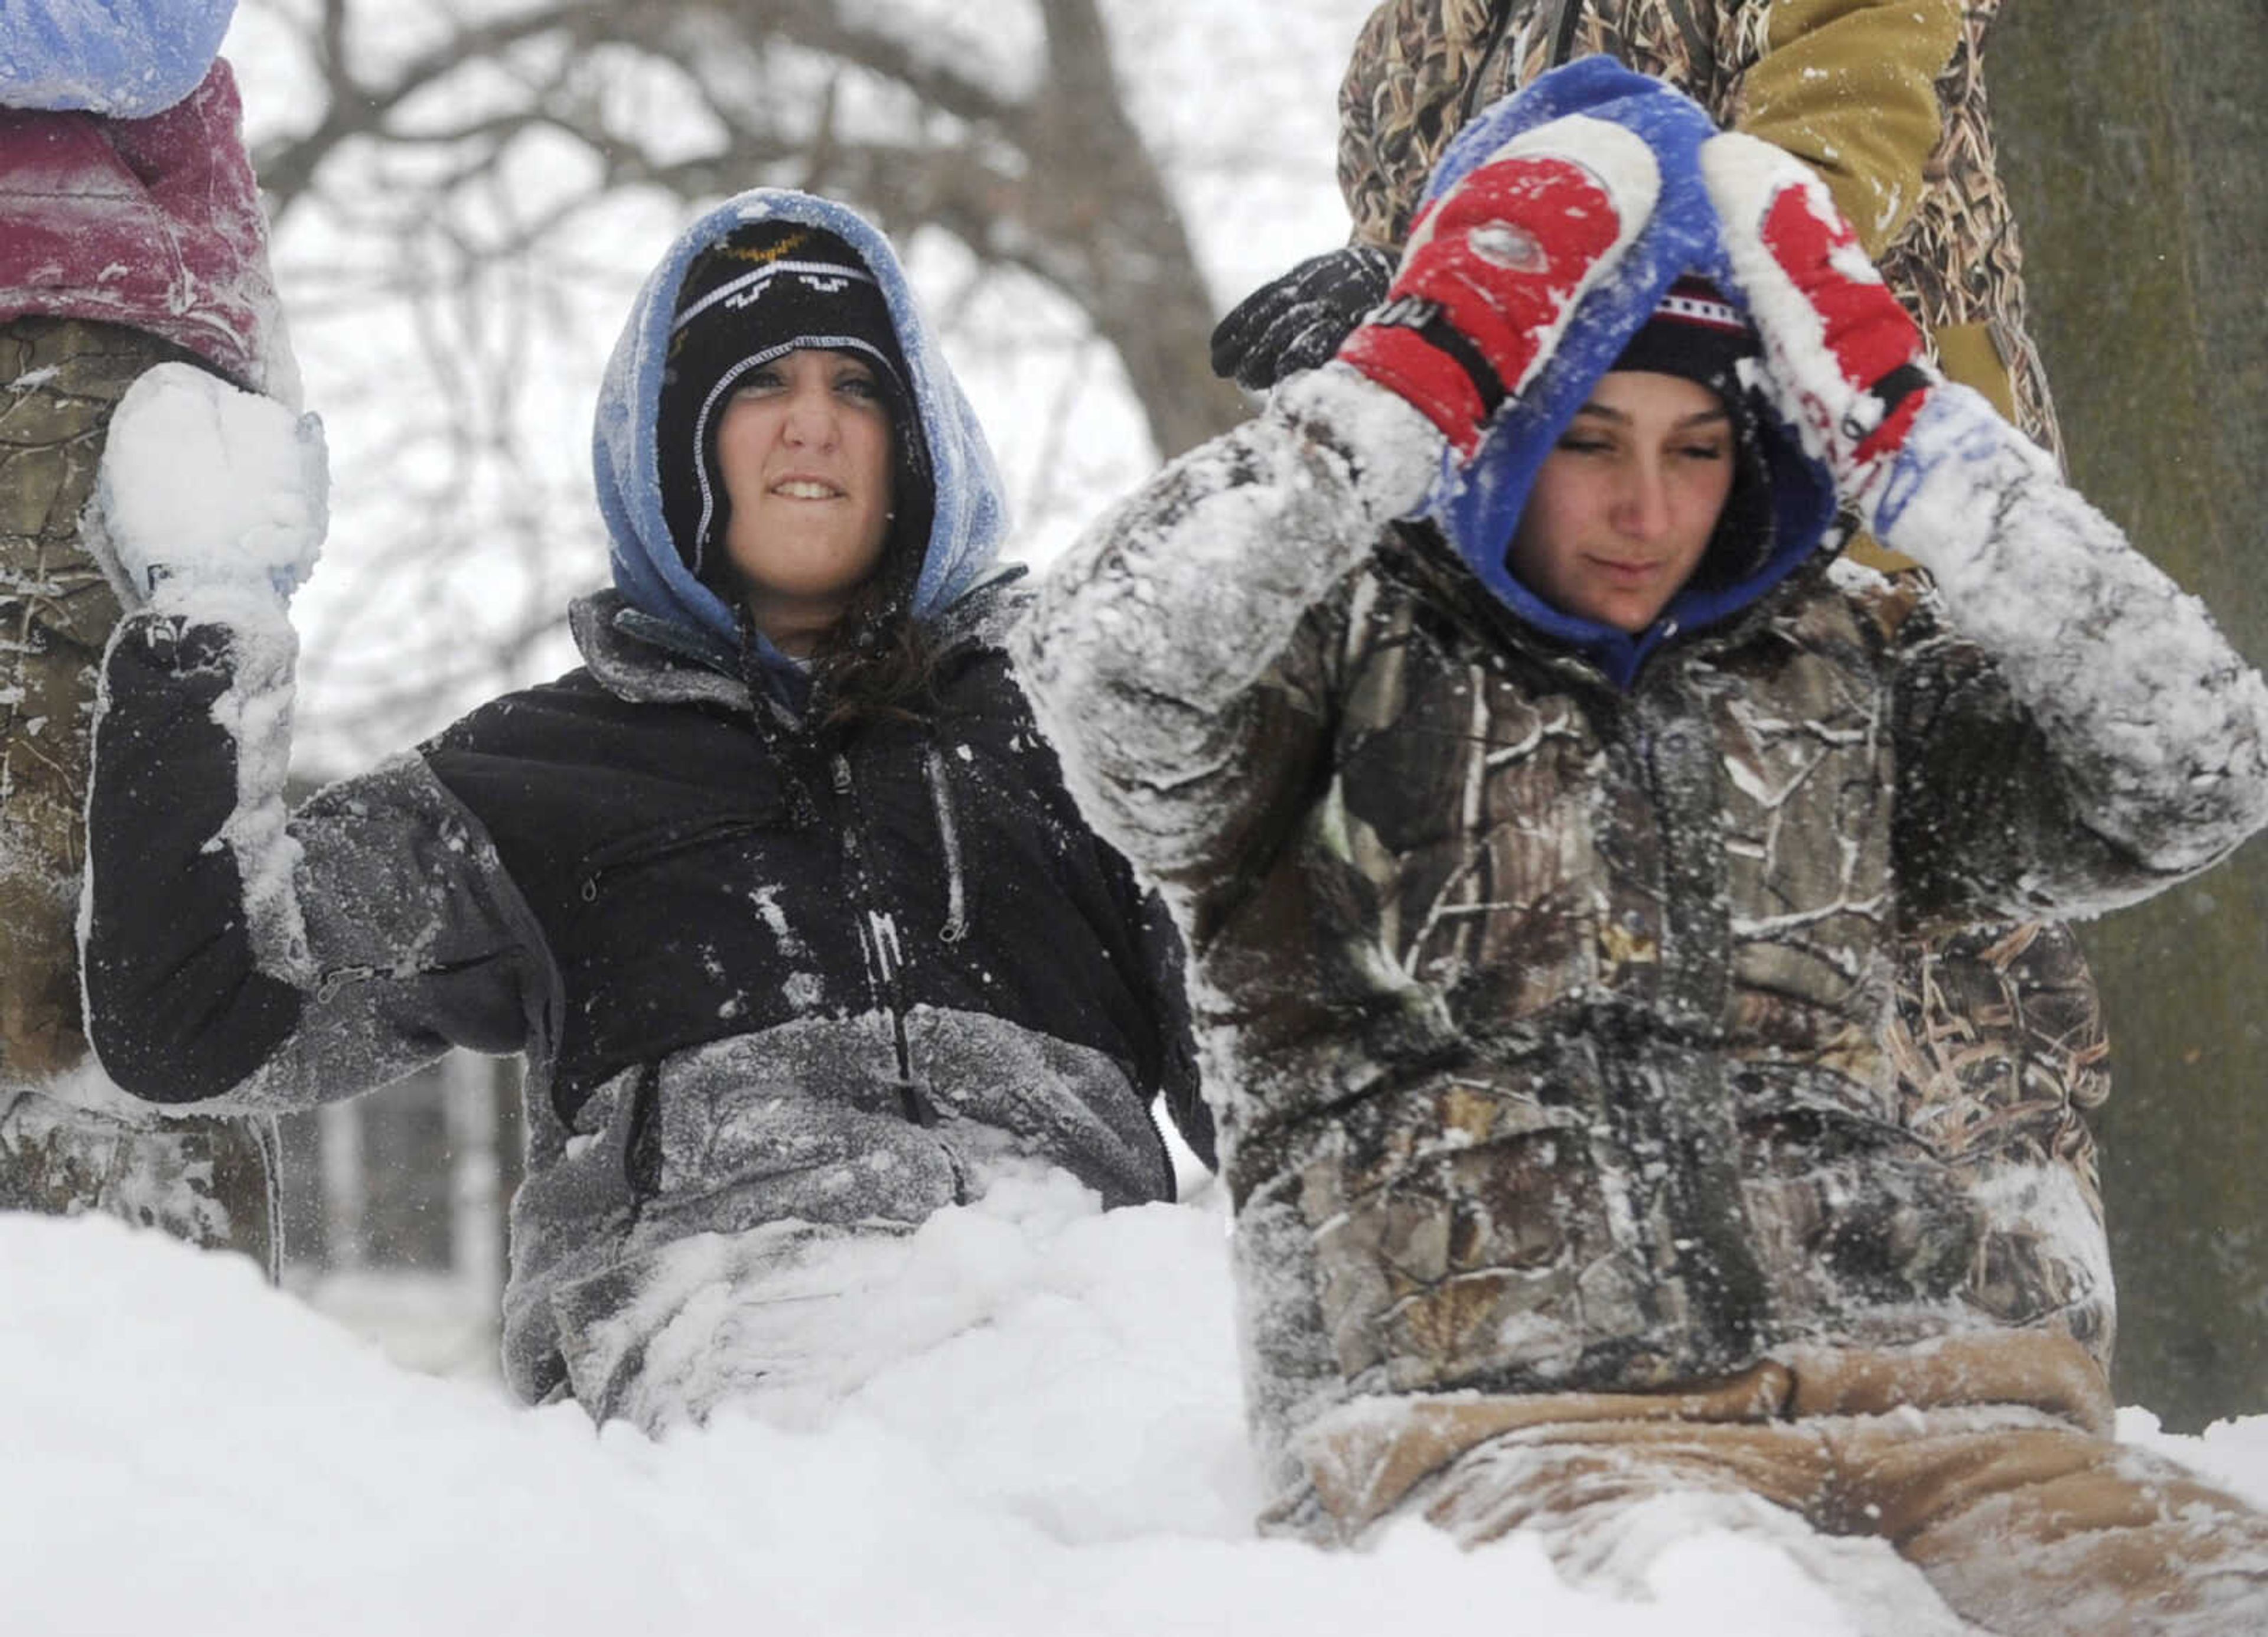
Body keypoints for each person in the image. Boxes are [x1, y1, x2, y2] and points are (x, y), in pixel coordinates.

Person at [1017, 61, 2268, 1632]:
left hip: (1948, 1403)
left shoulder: (1837, 671)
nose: (1646, 507)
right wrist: (1394, 393)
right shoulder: (1321, 677)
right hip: (1509, 1425)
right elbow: (1099, 672)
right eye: (1587, 437)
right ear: (1491, 429)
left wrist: (1925, 451)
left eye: (1698, 446)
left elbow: (2198, 769)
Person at [75, 188, 1201, 1431]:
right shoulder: (531, 783)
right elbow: (198, 1021)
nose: (815, 426)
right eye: (763, 386)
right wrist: (204, 626)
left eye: (859, 387)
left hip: (1090, 1382)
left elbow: (1292, 1054)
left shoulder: (1076, 727)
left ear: (917, 438)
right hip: (729, 1403)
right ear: (680, 442)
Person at [1213, 0, 2119, 1390]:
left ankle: (2008, 1470)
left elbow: (1835, 135)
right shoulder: (1423, 38)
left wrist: (1518, 307)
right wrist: (1392, 297)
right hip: (1577, 661)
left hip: (1851, 582)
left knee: (1951, 1133)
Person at [0, 0, 288, 1273]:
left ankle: (143, 1361)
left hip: (69, 318)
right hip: (82, 310)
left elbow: (140, 25)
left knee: (92, 977)